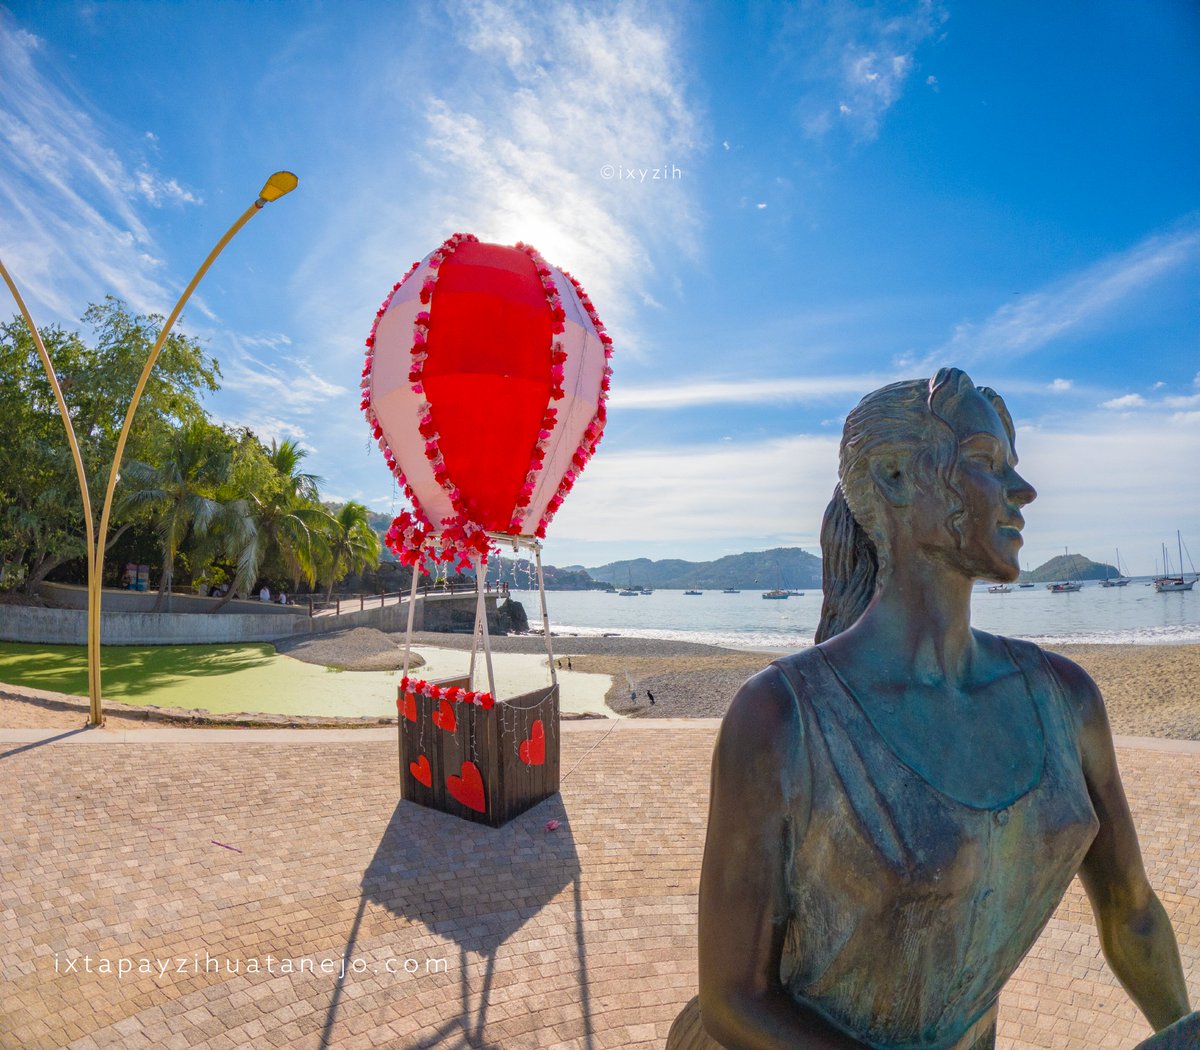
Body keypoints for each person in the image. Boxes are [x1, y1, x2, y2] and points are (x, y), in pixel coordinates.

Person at [672, 369, 1193, 1050]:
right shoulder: (781, 717)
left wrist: (1181, 1030)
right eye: (984, 460)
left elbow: (1131, 912)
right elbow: (733, 1001)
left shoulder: (1066, 700)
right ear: (892, 478)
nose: (1023, 489)